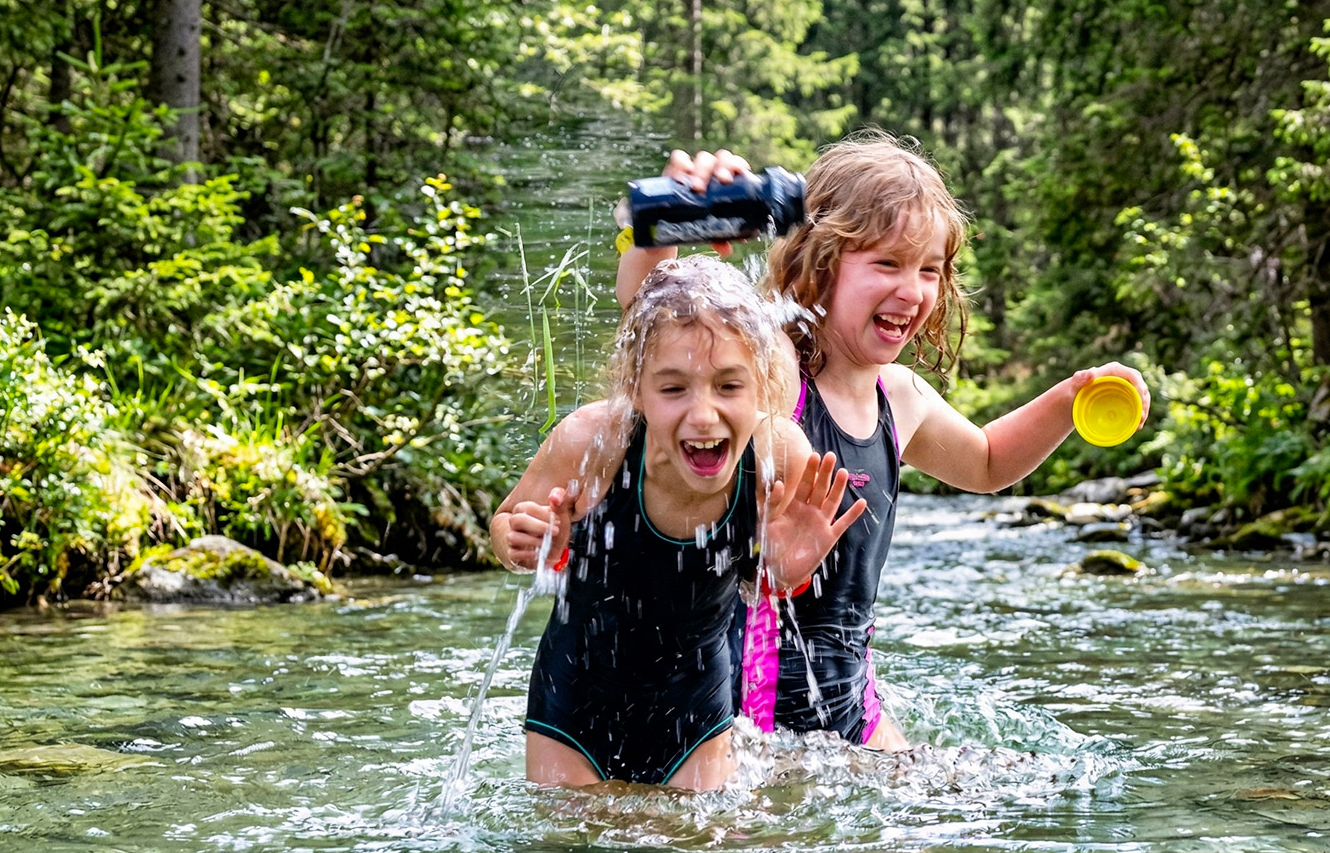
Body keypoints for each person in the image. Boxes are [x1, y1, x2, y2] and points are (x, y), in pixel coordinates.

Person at [615, 134, 1150, 751]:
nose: (914, 290)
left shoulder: (900, 396)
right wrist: (662, 228)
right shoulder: (772, 369)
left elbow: (986, 462)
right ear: (820, 264)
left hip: (854, 711)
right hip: (744, 720)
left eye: (929, 269)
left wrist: (1067, 400)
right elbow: (651, 315)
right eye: (888, 264)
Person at [489, 255, 867, 791]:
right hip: (573, 704)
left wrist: (783, 575)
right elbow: (504, 525)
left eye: (729, 387)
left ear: (762, 386)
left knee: (696, 852)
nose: (703, 414)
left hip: (696, 710)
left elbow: (769, 589)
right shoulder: (593, 444)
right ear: (636, 389)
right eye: (673, 390)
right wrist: (521, 540)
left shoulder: (776, 454)